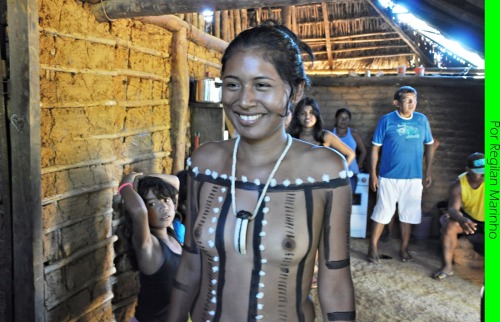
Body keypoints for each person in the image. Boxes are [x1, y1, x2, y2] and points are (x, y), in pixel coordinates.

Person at [167, 21, 355, 322]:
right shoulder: (206, 163)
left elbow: (335, 282)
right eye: (232, 84)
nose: (244, 100)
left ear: (295, 91)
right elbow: (190, 265)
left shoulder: (325, 172)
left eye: (262, 85)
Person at [368, 85, 435, 264]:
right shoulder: (387, 120)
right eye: (408, 100)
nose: (413, 103)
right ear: (396, 103)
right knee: (382, 212)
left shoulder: (422, 120)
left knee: (408, 214)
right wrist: (373, 174)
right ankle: (372, 247)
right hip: (388, 177)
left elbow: (429, 145)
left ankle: (404, 248)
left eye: (414, 99)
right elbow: (375, 148)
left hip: (413, 178)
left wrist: (427, 171)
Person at [119, 173, 183, 322]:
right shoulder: (148, 245)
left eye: (165, 200)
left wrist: (143, 178)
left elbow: (175, 182)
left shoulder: (172, 234)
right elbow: (138, 212)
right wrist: (126, 185)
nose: (163, 207)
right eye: (152, 204)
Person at [432, 152, 484, 279]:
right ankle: (447, 267)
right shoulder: (458, 184)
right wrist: (461, 219)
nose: (483, 174)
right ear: (468, 170)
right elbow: (452, 208)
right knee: (449, 226)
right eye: (479, 171)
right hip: (471, 219)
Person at [288, 97, 356, 167]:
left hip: (320, 177)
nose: (307, 117)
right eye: (303, 113)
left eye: (311, 113)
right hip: (298, 177)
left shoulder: (326, 136)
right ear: (297, 116)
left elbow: (351, 154)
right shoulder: (291, 138)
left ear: (316, 115)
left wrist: (338, 174)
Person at [333, 107, 367, 193]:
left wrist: (359, 165)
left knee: (348, 199)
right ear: (336, 119)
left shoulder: (353, 134)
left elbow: (363, 151)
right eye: (341, 118)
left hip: (351, 173)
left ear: (349, 120)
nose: (343, 121)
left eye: (346, 118)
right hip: (334, 172)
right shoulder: (330, 134)